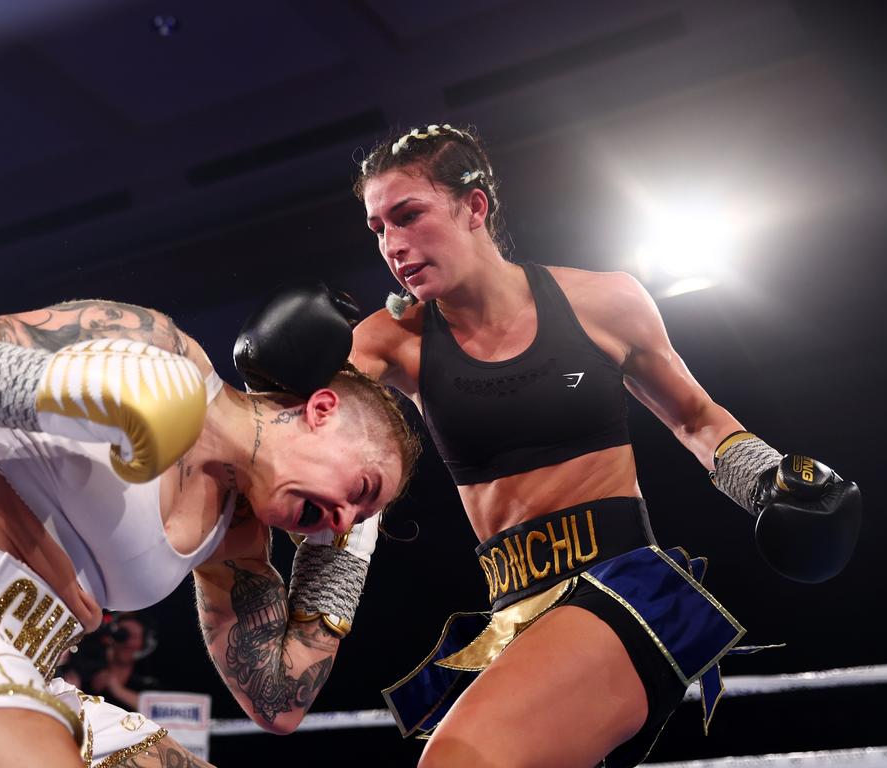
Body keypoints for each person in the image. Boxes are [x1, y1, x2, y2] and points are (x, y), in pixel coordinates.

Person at [331, 123, 859, 767]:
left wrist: (772, 481)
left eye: (408, 215)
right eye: (378, 227)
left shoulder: (602, 301)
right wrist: (280, 374)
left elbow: (696, 419)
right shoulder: (391, 339)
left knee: (460, 761)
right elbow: (295, 425)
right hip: (513, 615)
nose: (392, 244)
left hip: (622, 589)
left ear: (475, 207)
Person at [0, 295, 420, 768]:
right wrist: (63, 391)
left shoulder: (237, 539)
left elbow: (278, 702)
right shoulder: (154, 348)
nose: (343, 519)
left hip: (25, 670)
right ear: (322, 410)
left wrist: (339, 560)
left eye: (357, 523)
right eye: (362, 490)